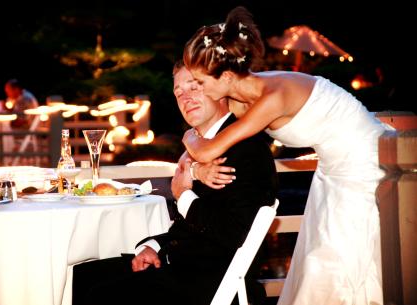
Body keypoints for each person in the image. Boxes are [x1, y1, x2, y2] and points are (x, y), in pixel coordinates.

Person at [181, 6, 387, 305]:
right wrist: (197, 169)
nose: (197, 89)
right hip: (333, 166)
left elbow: (207, 147)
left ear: (225, 76)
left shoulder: (271, 98)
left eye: (200, 82)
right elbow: (211, 136)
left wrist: (189, 135)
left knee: (336, 257)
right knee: (323, 254)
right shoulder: (242, 96)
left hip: (365, 159)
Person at [72, 62, 278, 305]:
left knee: (100, 295)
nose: (185, 98)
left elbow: (234, 233)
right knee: (81, 276)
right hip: (183, 264)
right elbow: (190, 228)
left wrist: (184, 196)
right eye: (179, 93)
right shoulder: (199, 145)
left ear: (218, 89)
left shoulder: (246, 149)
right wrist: (153, 246)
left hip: (213, 281)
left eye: (194, 87)